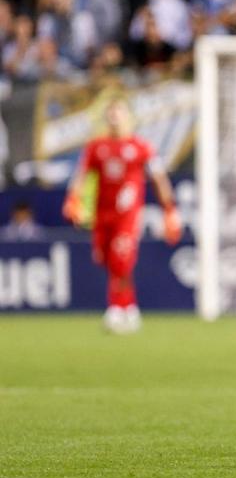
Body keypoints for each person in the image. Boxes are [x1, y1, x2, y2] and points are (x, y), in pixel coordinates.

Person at [63, 97, 181, 334]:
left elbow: (158, 178)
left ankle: (117, 309)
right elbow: (82, 175)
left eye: (119, 111)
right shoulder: (96, 147)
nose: (115, 116)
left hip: (126, 215)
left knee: (121, 260)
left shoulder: (141, 147)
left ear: (128, 116)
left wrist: (169, 210)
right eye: (111, 111)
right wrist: (73, 199)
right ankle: (130, 308)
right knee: (107, 261)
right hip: (101, 214)